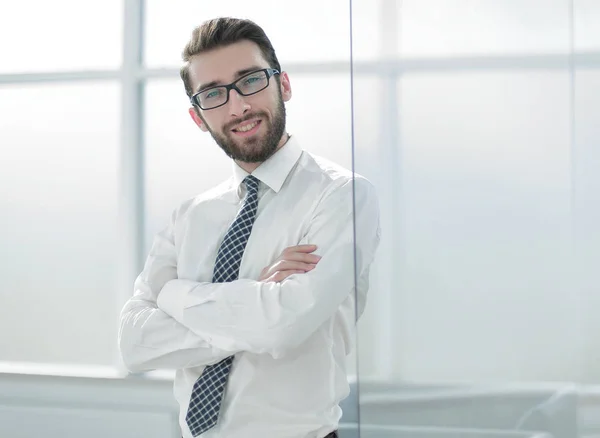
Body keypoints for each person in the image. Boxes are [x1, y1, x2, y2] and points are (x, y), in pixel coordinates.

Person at [118, 16, 381, 438]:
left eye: (251, 81)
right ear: (199, 117)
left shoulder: (342, 196)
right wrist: (255, 299)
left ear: (284, 85)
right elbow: (134, 345)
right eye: (214, 94)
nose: (238, 106)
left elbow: (284, 326)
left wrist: (176, 295)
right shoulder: (190, 216)